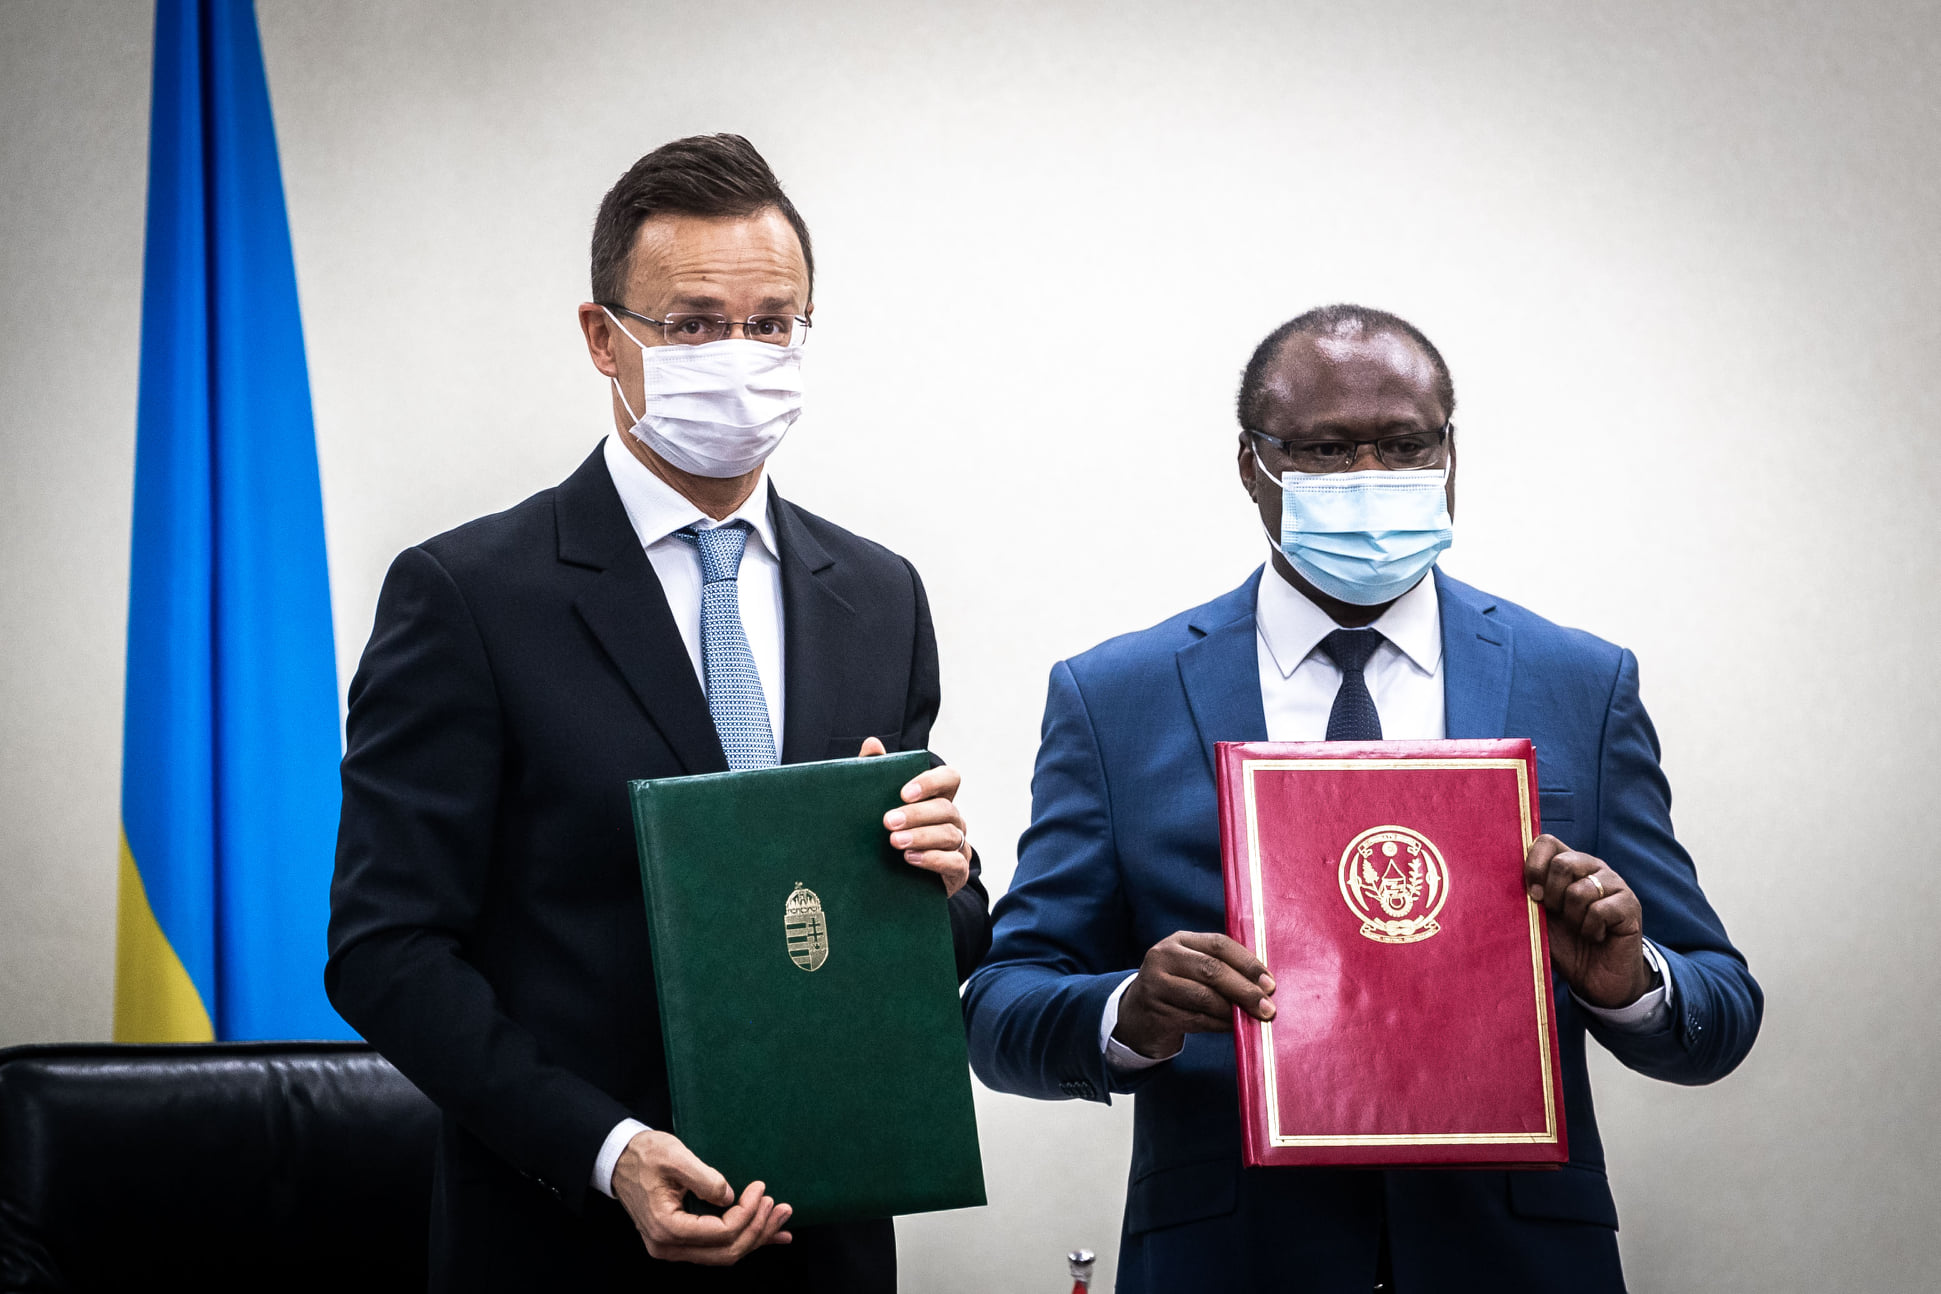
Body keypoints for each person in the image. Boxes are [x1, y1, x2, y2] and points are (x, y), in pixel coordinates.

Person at [963, 304, 1761, 1292]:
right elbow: (1002, 1010)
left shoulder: (1579, 683)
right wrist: (1132, 1011)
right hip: (1233, 1261)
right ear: (1252, 465)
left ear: (1451, 454)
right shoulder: (1116, 698)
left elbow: (1722, 1011)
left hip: (1514, 1260)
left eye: (1407, 445)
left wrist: (1629, 980)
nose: (1372, 476)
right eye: (1327, 450)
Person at [327, 134, 991, 1293]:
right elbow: (387, 950)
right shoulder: (469, 595)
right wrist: (606, 1149)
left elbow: (928, 941)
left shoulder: (878, 594)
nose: (738, 354)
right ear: (604, 338)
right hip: (566, 1242)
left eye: (771, 323)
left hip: (825, 1237)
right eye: (692, 324)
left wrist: (948, 882)